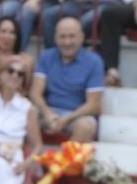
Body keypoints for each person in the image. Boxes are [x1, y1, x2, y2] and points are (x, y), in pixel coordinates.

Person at [31, 15, 104, 143]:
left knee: (86, 127)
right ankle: (31, 156)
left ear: (81, 37)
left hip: (76, 114)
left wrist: (66, 119)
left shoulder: (94, 61)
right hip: (48, 111)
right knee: (25, 114)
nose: (67, 42)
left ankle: (63, 162)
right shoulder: (46, 56)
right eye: (62, 37)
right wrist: (48, 114)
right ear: (55, 38)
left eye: (72, 36)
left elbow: (93, 105)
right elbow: (35, 93)